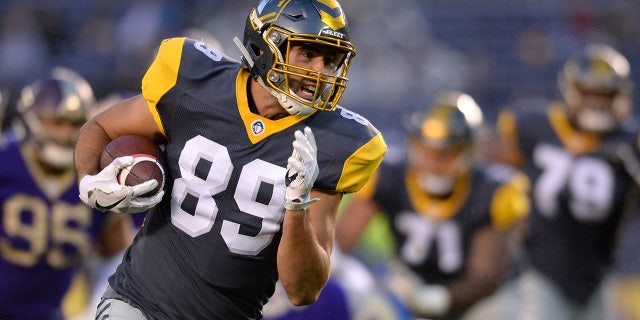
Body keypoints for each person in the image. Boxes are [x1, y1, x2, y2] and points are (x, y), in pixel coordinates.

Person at [73, 0, 387, 319]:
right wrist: (87, 180)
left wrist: (297, 207)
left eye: (330, 59)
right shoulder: (196, 85)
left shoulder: (337, 142)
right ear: (266, 46)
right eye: (307, 53)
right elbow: (100, 126)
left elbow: (302, 290)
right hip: (138, 302)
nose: (320, 71)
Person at [336, 91, 531, 320]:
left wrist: (437, 299)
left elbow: (486, 279)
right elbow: (340, 244)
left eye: (446, 153)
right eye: (426, 150)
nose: (433, 162)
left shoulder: (494, 190)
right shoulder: (390, 176)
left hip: (482, 299)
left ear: (469, 151)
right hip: (411, 283)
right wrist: (352, 277)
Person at [495, 42, 640, 320]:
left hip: (597, 273)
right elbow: (491, 169)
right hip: (541, 268)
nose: (597, 103)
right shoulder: (535, 125)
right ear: (571, 91)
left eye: (605, 95)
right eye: (589, 94)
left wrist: (633, 171)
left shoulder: (630, 143)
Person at [0, 67, 135, 320]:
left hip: (52, 312)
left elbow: (120, 258)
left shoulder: (96, 174)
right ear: (31, 120)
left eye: (74, 123)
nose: (65, 133)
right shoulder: (6, 162)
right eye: (56, 121)